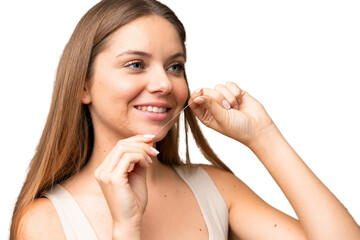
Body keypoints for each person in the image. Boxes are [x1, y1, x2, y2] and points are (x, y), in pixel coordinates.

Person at [10, 0, 360, 239]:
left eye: (175, 66)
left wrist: (263, 136)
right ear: (83, 85)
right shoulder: (45, 221)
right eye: (136, 64)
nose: (165, 83)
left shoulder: (215, 188)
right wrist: (126, 228)